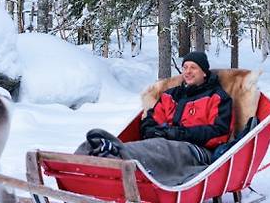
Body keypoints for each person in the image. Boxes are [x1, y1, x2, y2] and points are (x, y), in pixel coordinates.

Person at [80, 51, 233, 185]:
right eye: (185, 67)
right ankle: (88, 156)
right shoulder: (170, 95)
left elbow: (219, 132)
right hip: (165, 144)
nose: (187, 71)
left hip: (197, 151)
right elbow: (151, 119)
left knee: (159, 148)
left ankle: (115, 157)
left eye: (193, 67)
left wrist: (178, 134)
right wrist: (153, 131)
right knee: (152, 145)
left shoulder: (217, 97)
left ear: (204, 72)